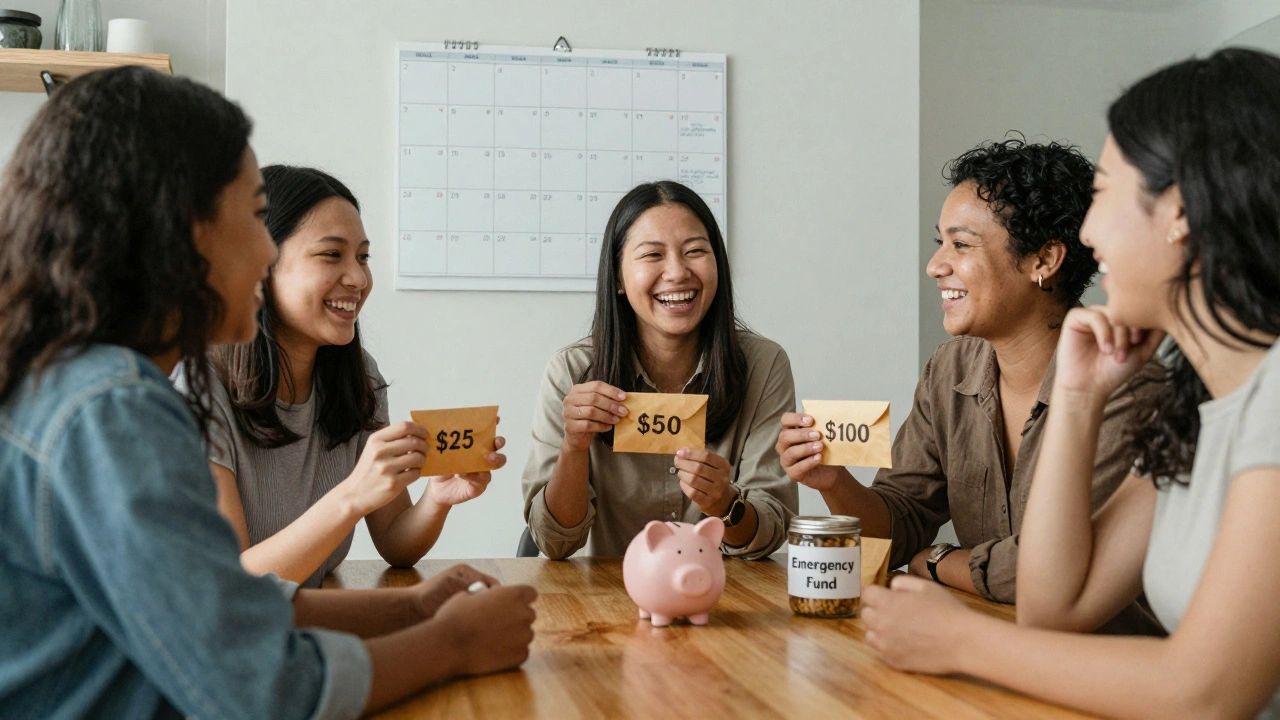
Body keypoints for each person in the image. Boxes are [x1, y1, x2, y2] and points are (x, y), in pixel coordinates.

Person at [0, 66, 536, 719]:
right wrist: (450, 643)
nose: (265, 248)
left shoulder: (78, 384)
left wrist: (414, 606)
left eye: (363, 256)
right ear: (181, 227)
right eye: (257, 215)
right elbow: (259, 687)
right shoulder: (116, 412)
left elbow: (216, 601)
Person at [861, 48, 1280, 719]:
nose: (1087, 230)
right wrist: (1080, 397)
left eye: (1107, 193)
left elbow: (1207, 692)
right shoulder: (1201, 407)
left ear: (1180, 211)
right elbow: (1055, 611)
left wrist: (960, 640)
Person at [778, 138, 1161, 629]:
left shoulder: (1127, 387)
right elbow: (900, 525)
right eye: (939, 243)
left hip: (1107, 667)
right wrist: (832, 481)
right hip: (992, 652)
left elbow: (1046, 573)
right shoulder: (950, 368)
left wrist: (941, 562)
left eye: (960, 245)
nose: (935, 266)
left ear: (1044, 261)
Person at [176, 165, 503, 588]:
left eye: (363, 257)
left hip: (312, 623)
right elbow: (230, 584)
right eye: (332, 255)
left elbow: (395, 542)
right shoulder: (196, 387)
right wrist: (351, 496)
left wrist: (437, 499)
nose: (360, 278)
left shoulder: (358, 375)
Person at [522, 181, 798, 560]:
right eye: (652, 255)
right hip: (608, 601)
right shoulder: (572, 371)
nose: (677, 271)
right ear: (618, 278)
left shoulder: (763, 365)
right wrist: (574, 446)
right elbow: (555, 543)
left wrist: (725, 502)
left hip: (724, 598)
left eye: (695, 251)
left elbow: (769, 532)